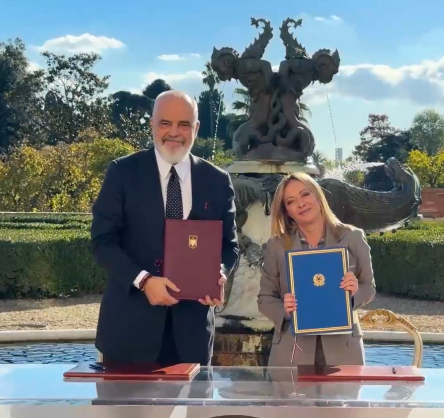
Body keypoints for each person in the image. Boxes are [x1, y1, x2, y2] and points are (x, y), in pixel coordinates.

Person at [90, 90, 239, 366]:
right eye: (165, 123)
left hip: (192, 337)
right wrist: (144, 280)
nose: (174, 132)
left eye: (184, 124)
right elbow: (102, 242)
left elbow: (229, 247)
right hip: (128, 332)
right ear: (152, 125)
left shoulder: (217, 180)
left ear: (196, 128)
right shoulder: (122, 172)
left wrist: (218, 273)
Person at [257, 172, 376, 367]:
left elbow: (368, 287)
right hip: (292, 351)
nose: (301, 204)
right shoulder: (276, 246)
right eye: (291, 201)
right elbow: (265, 299)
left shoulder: (353, 237)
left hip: (344, 349)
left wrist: (353, 294)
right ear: (287, 211)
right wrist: (284, 310)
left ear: (318, 196)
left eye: (305, 194)